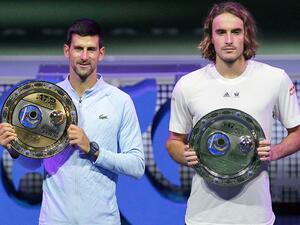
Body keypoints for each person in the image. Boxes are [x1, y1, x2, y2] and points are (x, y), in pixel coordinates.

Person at [166, 2, 300, 225]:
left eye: (236, 32)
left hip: (256, 216)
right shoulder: (187, 85)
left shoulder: (275, 79)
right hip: (203, 217)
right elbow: (173, 142)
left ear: (246, 35)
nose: (229, 40)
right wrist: (185, 155)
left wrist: (274, 152)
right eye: (221, 32)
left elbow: (297, 133)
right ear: (211, 37)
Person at [0, 19, 145, 225]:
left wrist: (93, 150)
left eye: (91, 49)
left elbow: (137, 166)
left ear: (100, 53)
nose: (84, 56)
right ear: (67, 51)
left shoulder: (120, 101)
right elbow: (33, 163)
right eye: (78, 49)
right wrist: (14, 148)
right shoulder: (46, 99)